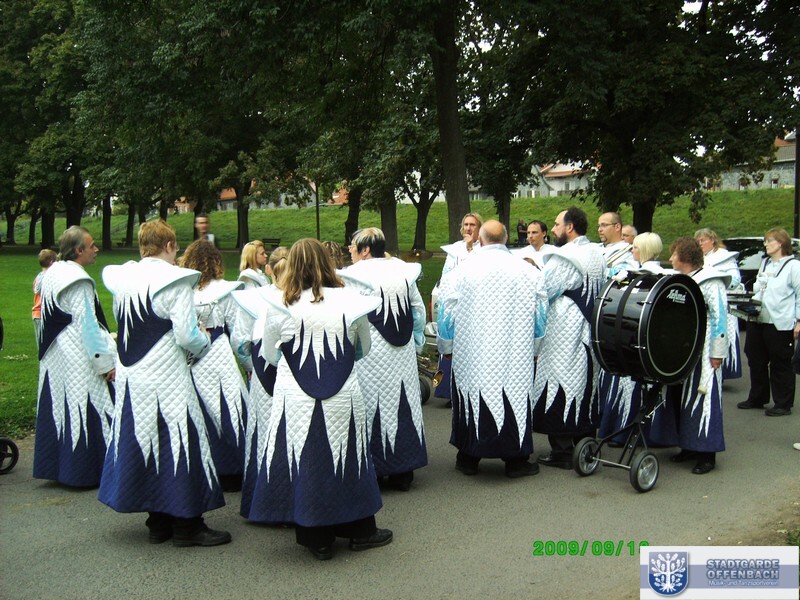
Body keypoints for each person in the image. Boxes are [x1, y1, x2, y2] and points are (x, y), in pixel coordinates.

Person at [250, 238, 391, 560]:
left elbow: (269, 353)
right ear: (327, 263)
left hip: (294, 395)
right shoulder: (351, 301)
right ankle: (360, 531)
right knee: (348, 457)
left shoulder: (279, 304)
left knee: (307, 460)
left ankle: (317, 539)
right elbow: (363, 348)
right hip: (343, 393)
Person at [99, 220, 230, 547]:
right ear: (170, 246)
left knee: (146, 437)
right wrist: (204, 341)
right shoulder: (175, 281)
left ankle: (157, 521)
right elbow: (186, 335)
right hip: (167, 374)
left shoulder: (124, 280)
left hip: (132, 375)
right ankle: (187, 524)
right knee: (180, 439)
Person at [437, 220, 548, 478]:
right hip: (515, 351)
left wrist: (447, 346)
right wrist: (536, 347)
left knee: (471, 395)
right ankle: (516, 461)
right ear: (506, 239)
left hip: (471, 352)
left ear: (481, 240)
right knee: (515, 397)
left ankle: (468, 458)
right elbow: (540, 315)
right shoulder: (530, 272)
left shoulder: (461, 271)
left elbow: (446, 311)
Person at [341, 228, 428, 491]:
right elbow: (418, 309)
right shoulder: (403, 271)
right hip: (402, 353)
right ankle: (404, 473)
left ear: (366, 249)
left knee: (370, 404)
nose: (350, 250)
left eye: (353, 246)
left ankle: (375, 472)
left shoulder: (351, 276)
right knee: (404, 401)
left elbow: (346, 316)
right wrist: (417, 341)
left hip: (368, 354)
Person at [33, 227, 116, 488]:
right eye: (92, 246)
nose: (96, 249)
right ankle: (84, 472)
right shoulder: (77, 280)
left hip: (56, 353)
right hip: (77, 354)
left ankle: (60, 469)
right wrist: (104, 363)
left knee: (60, 406)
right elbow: (88, 325)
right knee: (87, 405)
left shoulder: (52, 272)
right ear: (79, 250)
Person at [533, 207, 606, 469]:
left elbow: (544, 290)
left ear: (570, 227)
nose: (553, 229)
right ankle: (585, 444)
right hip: (589, 332)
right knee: (585, 384)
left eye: (556, 225)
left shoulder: (566, 257)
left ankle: (563, 451)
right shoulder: (597, 253)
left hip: (565, 332)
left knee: (560, 381)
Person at [180, 240, 249, 492]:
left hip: (189, 356)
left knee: (197, 408)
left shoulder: (183, 291)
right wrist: (248, 364)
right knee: (231, 407)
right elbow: (238, 334)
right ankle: (238, 467)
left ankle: (204, 470)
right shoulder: (225, 291)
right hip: (218, 353)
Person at [598, 232, 677, 447]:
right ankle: (652, 433)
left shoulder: (641, 276)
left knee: (630, 384)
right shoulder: (667, 276)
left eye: (634, 247)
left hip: (633, 337)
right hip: (652, 341)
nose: (631, 250)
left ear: (643, 250)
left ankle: (623, 432)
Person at [234, 246, 289, 522]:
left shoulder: (253, 299)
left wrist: (251, 369)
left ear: (269, 269)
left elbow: (240, 341)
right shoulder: (300, 297)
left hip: (261, 370)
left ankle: (263, 503)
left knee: (264, 431)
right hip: (293, 374)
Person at [667, 237, 729, 474]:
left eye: (674, 254)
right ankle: (688, 446)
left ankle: (707, 455)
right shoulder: (683, 279)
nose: (670, 258)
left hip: (705, 350)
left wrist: (717, 353)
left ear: (684, 257)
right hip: (685, 349)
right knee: (683, 397)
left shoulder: (711, 281)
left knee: (705, 398)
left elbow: (719, 318)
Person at [737, 228, 800, 417]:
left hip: (780, 321)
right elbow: (759, 287)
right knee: (755, 358)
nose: (765, 244)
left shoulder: (794, 266)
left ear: (780, 243)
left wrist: (799, 321)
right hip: (759, 317)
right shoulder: (765, 263)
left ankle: (783, 403)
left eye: (769, 241)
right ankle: (758, 397)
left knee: (780, 361)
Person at [435, 213, 483, 403]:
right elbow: (446, 276)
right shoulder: (454, 249)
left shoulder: (484, 249)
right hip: (455, 305)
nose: (468, 228)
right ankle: (449, 391)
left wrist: (471, 249)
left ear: (479, 228)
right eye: (466, 224)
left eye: (473, 225)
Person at [694, 228, 743, 380]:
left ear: (712, 240)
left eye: (703, 240)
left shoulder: (724, 257)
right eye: (698, 241)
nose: (700, 243)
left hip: (722, 302)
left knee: (721, 335)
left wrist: (719, 281)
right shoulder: (699, 258)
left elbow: (735, 279)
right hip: (704, 304)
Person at [597, 212, 637, 276]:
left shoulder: (628, 252)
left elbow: (624, 275)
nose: (599, 229)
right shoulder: (594, 248)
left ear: (617, 227)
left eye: (604, 225)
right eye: (599, 226)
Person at [32, 248, 57, 346]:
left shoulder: (38, 277)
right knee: (48, 346)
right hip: (45, 313)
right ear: (51, 262)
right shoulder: (50, 278)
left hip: (37, 314)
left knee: (42, 344)